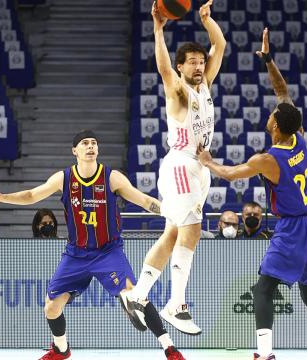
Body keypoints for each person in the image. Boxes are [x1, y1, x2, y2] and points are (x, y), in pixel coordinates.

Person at [196, 28, 307, 360]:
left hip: (292, 228)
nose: (270, 114)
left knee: (264, 288)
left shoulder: (267, 160)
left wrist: (207, 161)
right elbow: (281, 89)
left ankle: (264, 354)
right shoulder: (299, 138)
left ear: (276, 125)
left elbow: (231, 174)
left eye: (272, 115)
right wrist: (268, 60)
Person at [0, 130, 185, 360]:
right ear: (75, 151)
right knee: (51, 307)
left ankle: (170, 348)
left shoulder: (112, 177)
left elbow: (145, 201)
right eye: (85, 143)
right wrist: (1, 197)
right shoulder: (64, 178)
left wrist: (173, 213)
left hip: (108, 251)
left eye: (94, 143)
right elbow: (31, 195)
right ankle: (61, 349)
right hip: (76, 254)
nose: (90, 146)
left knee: (133, 295)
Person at [124, 0, 225, 336]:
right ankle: (175, 304)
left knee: (174, 233)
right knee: (190, 228)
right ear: (182, 67)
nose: (198, 66)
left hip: (199, 168)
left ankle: (139, 294)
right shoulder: (178, 91)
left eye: (201, 61)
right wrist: (157, 30)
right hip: (181, 164)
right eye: (192, 63)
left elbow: (220, 45)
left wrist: (207, 20)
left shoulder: (205, 84)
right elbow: (164, 69)